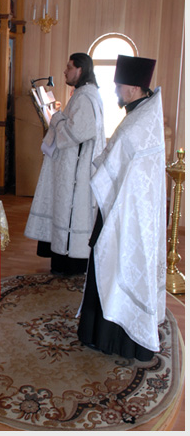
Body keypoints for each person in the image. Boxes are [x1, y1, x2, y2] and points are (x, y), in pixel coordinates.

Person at [77, 54, 166, 360]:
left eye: (119, 85)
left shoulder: (138, 123)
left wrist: (99, 166)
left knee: (112, 263)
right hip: (125, 206)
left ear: (133, 88)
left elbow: (112, 167)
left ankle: (108, 338)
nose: (116, 90)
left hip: (124, 211)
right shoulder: (143, 114)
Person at [24, 53, 106, 275]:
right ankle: (62, 260)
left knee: (69, 214)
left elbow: (77, 132)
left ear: (81, 70)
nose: (65, 71)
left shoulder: (85, 97)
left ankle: (70, 263)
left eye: (69, 67)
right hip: (71, 170)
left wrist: (57, 117)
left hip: (76, 176)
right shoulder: (84, 94)